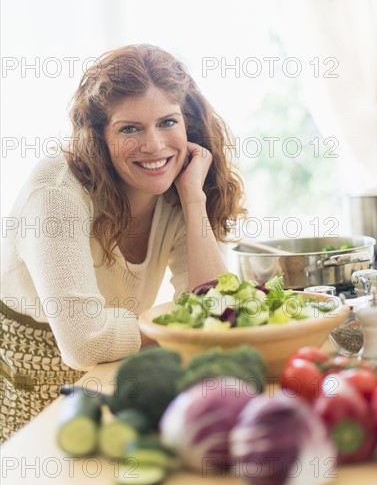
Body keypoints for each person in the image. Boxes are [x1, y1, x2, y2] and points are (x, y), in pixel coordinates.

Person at [0, 43, 246, 441]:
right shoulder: (55, 189)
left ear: (189, 125)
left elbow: (217, 307)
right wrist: (180, 327)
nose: (153, 145)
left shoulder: (177, 189)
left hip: (117, 369)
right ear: (99, 137)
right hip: (30, 380)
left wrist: (193, 199)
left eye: (168, 122)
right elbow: (83, 342)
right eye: (130, 128)